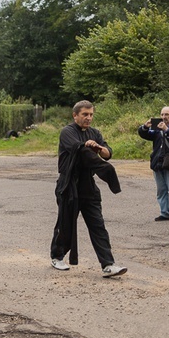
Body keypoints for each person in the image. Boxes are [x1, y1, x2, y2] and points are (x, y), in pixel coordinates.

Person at [50, 100, 126, 277]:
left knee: (98, 225)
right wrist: (89, 146)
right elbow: (78, 149)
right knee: (65, 223)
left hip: (88, 186)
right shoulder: (67, 132)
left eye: (91, 114)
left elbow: (107, 152)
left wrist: (100, 148)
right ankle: (57, 256)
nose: (88, 118)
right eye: (85, 114)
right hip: (68, 184)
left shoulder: (95, 133)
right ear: (75, 115)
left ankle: (108, 264)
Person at [138, 106, 169, 222]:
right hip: (157, 162)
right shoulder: (157, 128)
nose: (164, 117)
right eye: (162, 115)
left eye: (166, 114)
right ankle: (165, 213)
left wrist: (167, 129)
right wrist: (145, 127)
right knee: (161, 190)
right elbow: (144, 134)